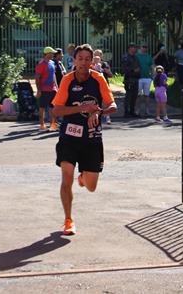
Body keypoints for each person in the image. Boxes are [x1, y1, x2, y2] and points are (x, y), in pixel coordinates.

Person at [51, 44, 117, 236]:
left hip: (92, 138)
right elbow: (56, 110)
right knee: (66, 180)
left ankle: (83, 177)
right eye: (80, 58)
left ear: (92, 61)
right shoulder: (67, 80)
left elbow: (111, 104)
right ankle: (68, 220)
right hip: (69, 137)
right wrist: (82, 109)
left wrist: (100, 111)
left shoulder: (98, 79)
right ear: (74, 60)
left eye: (87, 59)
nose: (83, 62)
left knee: (91, 187)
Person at [36, 46, 59, 131]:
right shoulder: (41, 64)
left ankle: (53, 125)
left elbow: (54, 76)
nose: (53, 54)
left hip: (53, 89)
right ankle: (42, 125)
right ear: (47, 54)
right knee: (42, 107)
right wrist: (39, 90)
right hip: (44, 89)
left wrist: (57, 87)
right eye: (52, 53)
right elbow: (37, 78)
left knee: (53, 107)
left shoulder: (52, 63)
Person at [121, 43, 141, 117]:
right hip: (129, 79)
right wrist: (133, 70)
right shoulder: (126, 57)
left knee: (134, 96)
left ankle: (132, 111)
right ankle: (126, 112)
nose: (136, 49)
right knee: (129, 96)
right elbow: (124, 69)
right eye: (134, 47)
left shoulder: (135, 57)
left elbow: (138, 66)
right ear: (130, 48)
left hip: (136, 78)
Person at [136, 44, 154, 117]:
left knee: (147, 95)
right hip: (139, 78)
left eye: (146, 47)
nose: (144, 48)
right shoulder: (137, 56)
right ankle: (137, 110)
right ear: (140, 47)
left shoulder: (148, 56)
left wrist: (152, 76)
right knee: (138, 95)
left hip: (147, 78)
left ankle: (147, 110)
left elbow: (152, 66)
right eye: (143, 46)